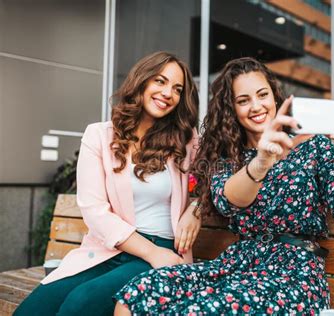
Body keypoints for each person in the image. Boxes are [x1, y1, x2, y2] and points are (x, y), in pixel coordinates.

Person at [114, 57, 334, 315]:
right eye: (243, 100)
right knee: (138, 292)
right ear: (231, 109)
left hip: (294, 274)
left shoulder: (316, 146)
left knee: (200, 310)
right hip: (238, 263)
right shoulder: (226, 154)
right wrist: (262, 160)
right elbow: (230, 200)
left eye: (263, 95)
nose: (256, 106)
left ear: (275, 98)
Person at [14, 51, 201, 316]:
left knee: (80, 303)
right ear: (142, 81)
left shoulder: (186, 140)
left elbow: (215, 179)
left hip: (164, 251)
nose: (168, 92)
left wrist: (196, 210)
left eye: (177, 88)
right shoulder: (99, 135)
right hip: (108, 249)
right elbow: (93, 209)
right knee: (32, 311)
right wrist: (149, 251)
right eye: (160, 81)